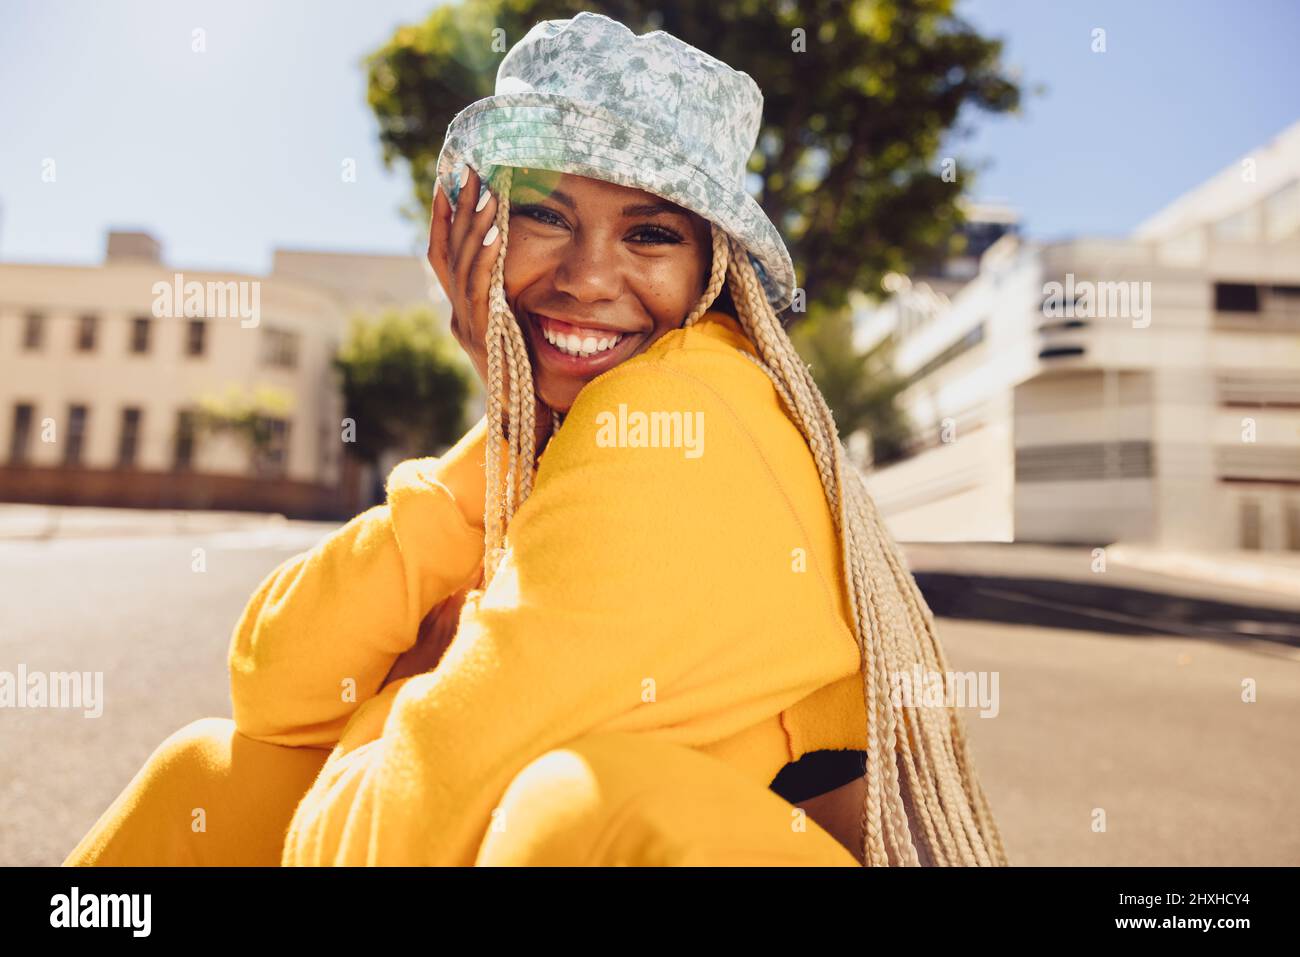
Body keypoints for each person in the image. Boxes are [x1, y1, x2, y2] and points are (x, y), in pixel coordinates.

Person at [65, 11, 1008, 868]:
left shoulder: (684, 418)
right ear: (475, 234)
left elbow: (406, 826)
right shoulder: (560, 433)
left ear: (715, 270)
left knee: (575, 805)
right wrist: (510, 437)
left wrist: (397, 705)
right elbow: (273, 688)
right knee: (209, 774)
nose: (590, 277)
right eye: (546, 217)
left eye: (650, 234)